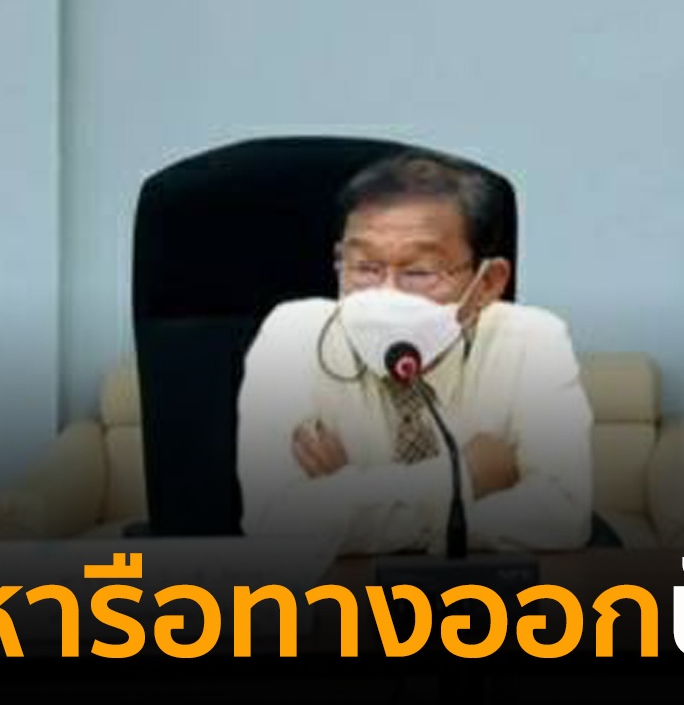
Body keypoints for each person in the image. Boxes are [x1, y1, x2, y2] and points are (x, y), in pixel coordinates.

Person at [236, 153, 593, 555]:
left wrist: (350, 497)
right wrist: (465, 479)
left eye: (420, 271)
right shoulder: (292, 336)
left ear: (488, 283)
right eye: (364, 267)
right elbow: (277, 524)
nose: (385, 295)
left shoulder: (534, 341)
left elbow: (563, 516)